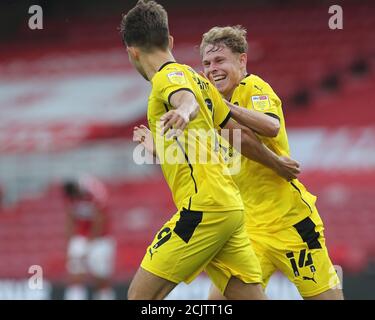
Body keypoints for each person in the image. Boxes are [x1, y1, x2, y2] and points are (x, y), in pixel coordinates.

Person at [120, 0, 301, 300]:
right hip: (229, 209)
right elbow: (236, 134)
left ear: (133, 52)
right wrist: (276, 163)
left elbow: (184, 99)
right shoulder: (201, 82)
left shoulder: (170, 78)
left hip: (203, 210)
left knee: (139, 299)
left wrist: (184, 111)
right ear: (171, 41)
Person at [200, 25, 343, 300]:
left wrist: (223, 106)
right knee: (218, 301)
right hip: (249, 229)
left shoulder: (253, 87)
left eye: (219, 60)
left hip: (290, 223)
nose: (212, 69)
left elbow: (271, 126)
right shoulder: (210, 113)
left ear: (242, 60)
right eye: (206, 63)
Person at [63, 176, 116, 300]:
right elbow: (70, 217)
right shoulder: (70, 195)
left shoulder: (94, 191)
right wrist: (70, 241)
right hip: (80, 237)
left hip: (100, 240)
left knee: (101, 279)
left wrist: (88, 245)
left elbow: (100, 219)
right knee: (75, 277)